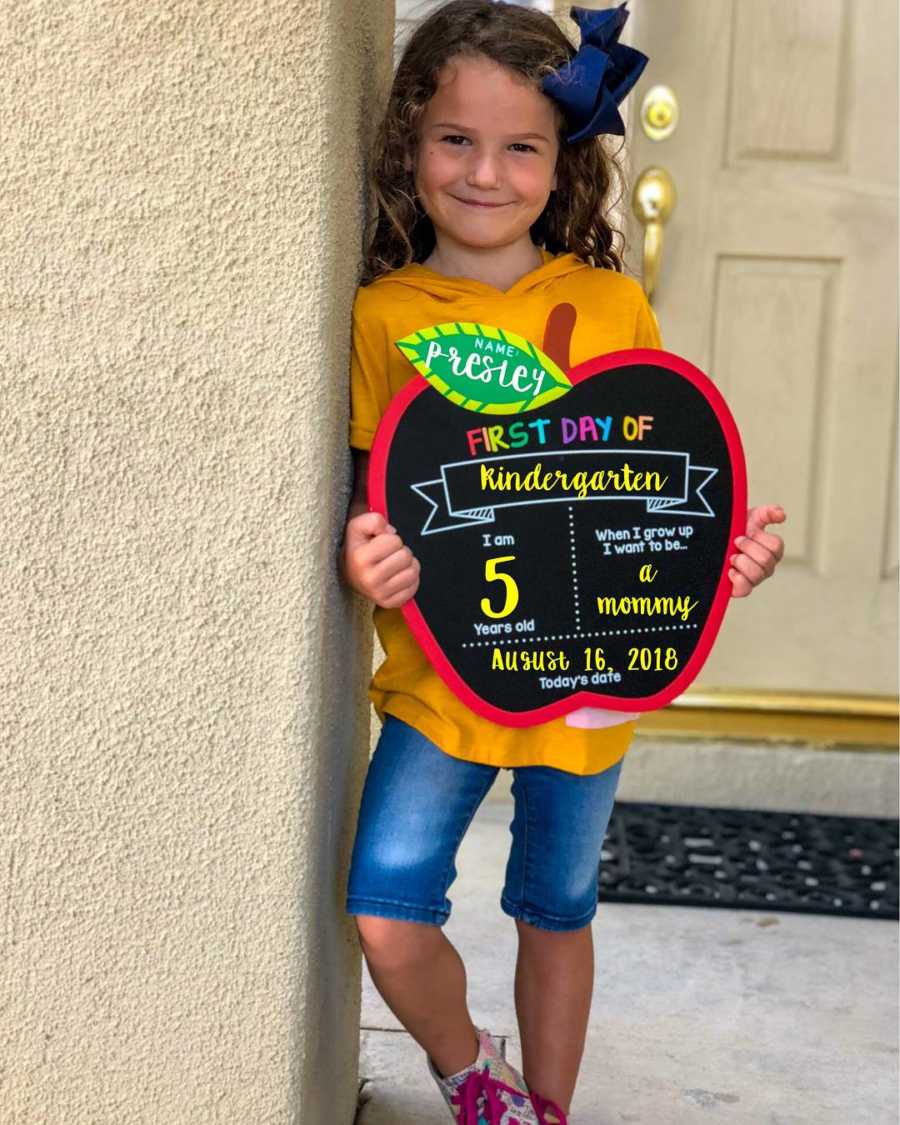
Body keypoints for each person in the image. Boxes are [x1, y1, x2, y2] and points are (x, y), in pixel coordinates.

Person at [339, 3, 786, 1122]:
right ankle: (468, 1072)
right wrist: (366, 554)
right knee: (387, 911)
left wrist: (722, 556)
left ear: (562, 161)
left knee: (557, 906)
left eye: (521, 145)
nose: (485, 172)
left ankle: (546, 1109)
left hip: (587, 679)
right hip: (445, 681)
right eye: (456, 139)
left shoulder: (609, 302)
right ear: (410, 143)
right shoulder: (387, 316)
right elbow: (371, 494)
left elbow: (657, 477)